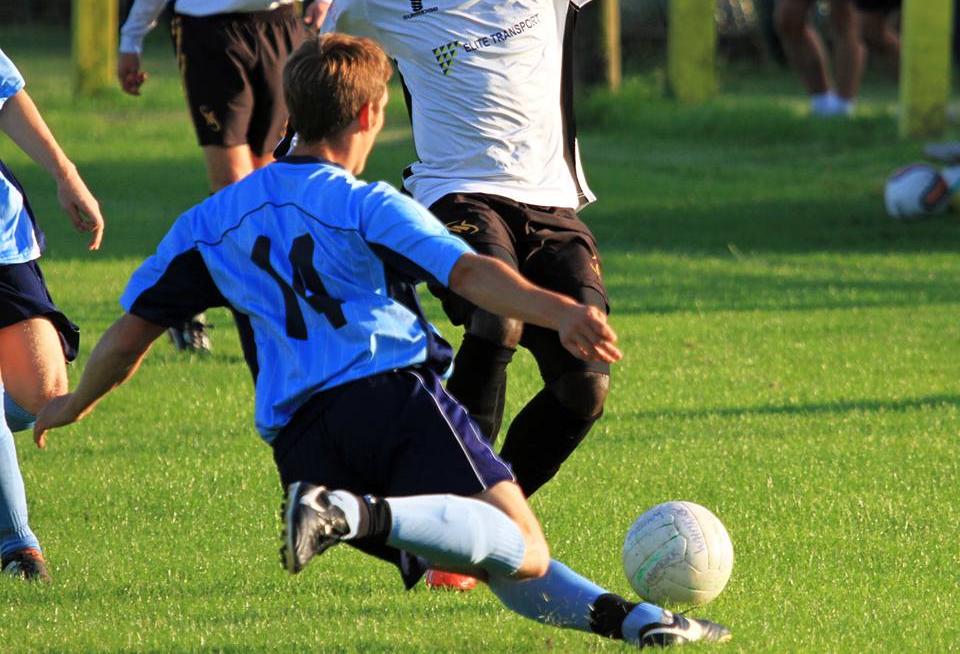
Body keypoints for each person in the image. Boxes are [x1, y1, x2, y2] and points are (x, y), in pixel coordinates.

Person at [33, 34, 730, 648]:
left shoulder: (207, 223)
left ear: (293, 115)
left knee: (496, 551)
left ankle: (641, 626)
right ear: (370, 115)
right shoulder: (362, 203)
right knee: (518, 542)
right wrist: (561, 311)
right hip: (390, 398)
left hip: (300, 441)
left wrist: (73, 404)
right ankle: (350, 512)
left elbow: (128, 337)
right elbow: (471, 271)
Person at [314, 0, 693, 541]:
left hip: (552, 204)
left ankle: (499, 517)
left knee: (585, 390)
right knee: (497, 316)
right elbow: (318, 73)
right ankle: (462, 519)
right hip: (457, 194)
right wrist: (297, 167)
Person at [119, 0, 347, 351]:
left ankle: (196, 295)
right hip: (207, 33)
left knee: (273, 181)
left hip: (283, 29)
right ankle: (261, 316)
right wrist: (132, 36)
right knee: (234, 186)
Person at [0, 47, 104, 581]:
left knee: (41, 396)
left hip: (1, 237)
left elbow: (6, 96)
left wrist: (65, 172)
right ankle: (20, 549)